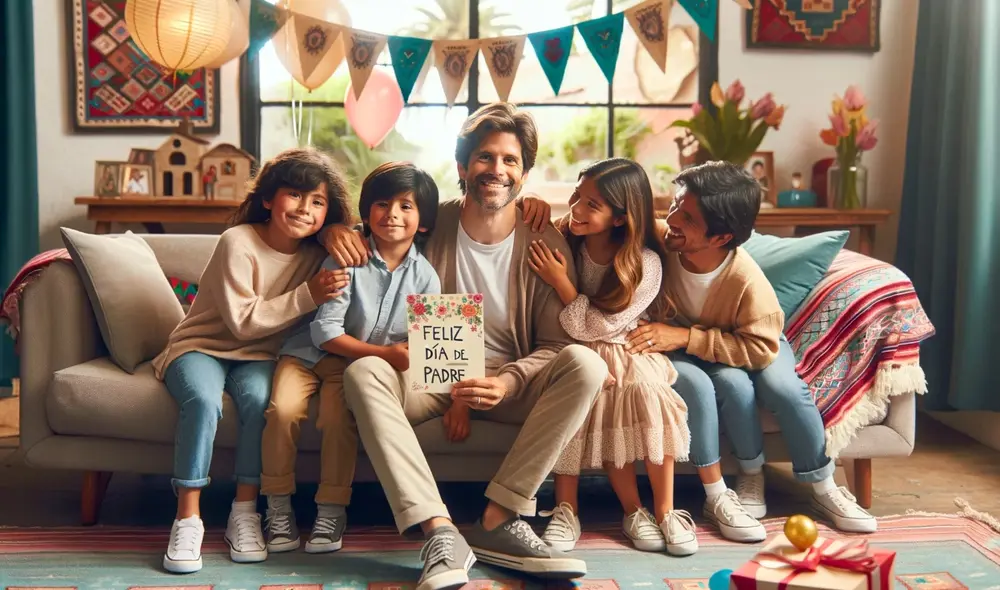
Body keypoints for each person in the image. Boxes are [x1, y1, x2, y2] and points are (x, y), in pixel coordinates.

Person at [322, 102, 608, 590]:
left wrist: (505, 380)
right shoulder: (436, 224)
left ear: (524, 173)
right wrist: (337, 230)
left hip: (512, 381)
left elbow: (555, 343)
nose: (496, 169)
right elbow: (383, 227)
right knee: (363, 373)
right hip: (437, 371)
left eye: (510, 160)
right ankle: (439, 531)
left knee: (586, 362)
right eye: (484, 157)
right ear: (462, 166)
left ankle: (500, 518)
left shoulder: (545, 238)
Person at [623, 161, 877, 542]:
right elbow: (609, 215)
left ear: (720, 237)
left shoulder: (745, 280)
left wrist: (684, 337)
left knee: (785, 389)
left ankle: (825, 488)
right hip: (692, 346)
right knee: (732, 385)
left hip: (752, 341)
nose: (672, 217)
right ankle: (750, 474)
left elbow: (759, 349)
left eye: (687, 217)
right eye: (675, 204)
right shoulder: (665, 239)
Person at [151, 147, 353, 574]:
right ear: (267, 199)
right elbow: (243, 323)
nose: (304, 209)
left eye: (317, 202)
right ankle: (188, 518)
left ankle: (244, 513)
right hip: (201, 346)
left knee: (262, 403)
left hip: (259, 357)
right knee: (204, 402)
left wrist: (335, 230)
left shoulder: (318, 252)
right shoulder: (237, 241)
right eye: (295, 195)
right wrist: (309, 294)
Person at [260, 162, 442, 555]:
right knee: (283, 410)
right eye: (382, 203)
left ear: (423, 222)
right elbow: (324, 332)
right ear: (366, 213)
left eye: (406, 207)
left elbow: (427, 346)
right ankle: (276, 507)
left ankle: (331, 510)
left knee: (337, 418)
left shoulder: (427, 278)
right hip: (307, 354)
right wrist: (385, 354)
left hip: (353, 368)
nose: (392, 214)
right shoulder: (347, 255)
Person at [526, 158, 697, 556]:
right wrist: (530, 200)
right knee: (581, 398)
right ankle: (579, 509)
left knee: (645, 393)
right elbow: (578, 332)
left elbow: (601, 327)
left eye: (593, 205)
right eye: (578, 198)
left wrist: (562, 284)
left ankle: (666, 511)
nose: (577, 211)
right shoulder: (565, 242)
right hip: (576, 349)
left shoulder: (646, 264)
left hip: (625, 347)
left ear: (621, 218)